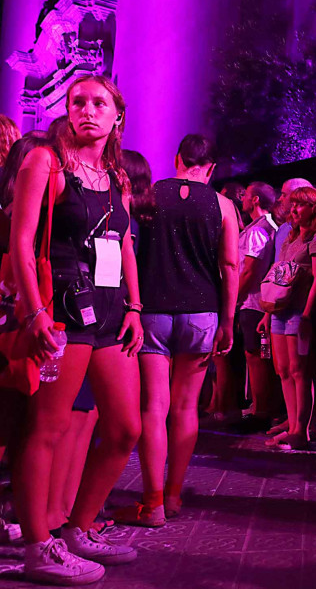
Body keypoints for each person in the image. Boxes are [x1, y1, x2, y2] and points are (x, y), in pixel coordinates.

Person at [11, 75, 143, 583]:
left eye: (99, 102)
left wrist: (134, 307)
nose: (87, 109)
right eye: (78, 102)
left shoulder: (116, 177)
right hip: (61, 309)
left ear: (117, 115)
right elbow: (23, 243)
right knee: (47, 427)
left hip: (110, 311)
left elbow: (124, 243)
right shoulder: (45, 162)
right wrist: (34, 314)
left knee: (125, 428)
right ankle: (37, 546)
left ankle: (78, 529)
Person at [114, 134, 238, 528]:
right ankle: (173, 495)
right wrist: (228, 320)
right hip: (201, 314)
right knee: (186, 408)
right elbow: (230, 266)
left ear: (176, 159)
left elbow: (127, 246)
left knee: (154, 407)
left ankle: (151, 503)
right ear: (211, 168)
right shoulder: (223, 205)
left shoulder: (149, 196)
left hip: (152, 311)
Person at [259, 185, 316, 450]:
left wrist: (307, 314)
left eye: (300, 204)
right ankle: (292, 426)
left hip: (299, 311)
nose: (294, 209)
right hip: (280, 310)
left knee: (300, 370)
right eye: (293, 204)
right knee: (283, 370)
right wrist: (267, 314)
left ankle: (301, 431)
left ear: (313, 207)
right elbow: (278, 276)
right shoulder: (290, 237)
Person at [229, 182, 279, 432]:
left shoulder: (259, 229)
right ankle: (259, 407)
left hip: (253, 301)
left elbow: (251, 270)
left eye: (246, 195)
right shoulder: (260, 227)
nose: (243, 199)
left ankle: (261, 411)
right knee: (256, 355)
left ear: (256, 199)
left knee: (256, 355)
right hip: (255, 301)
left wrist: (234, 298)